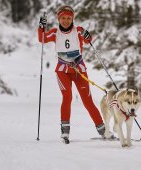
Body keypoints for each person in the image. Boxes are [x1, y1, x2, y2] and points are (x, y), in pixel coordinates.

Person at [38, 5, 105, 144]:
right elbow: (42, 39)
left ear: (72, 18)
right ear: (59, 19)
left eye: (69, 18)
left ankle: (104, 131)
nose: (66, 21)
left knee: (88, 101)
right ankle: (65, 132)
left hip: (79, 70)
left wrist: (88, 35)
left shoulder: (78, 31)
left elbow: (88, 40)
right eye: (63, 18)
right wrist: (41, 26)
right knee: (67, 97)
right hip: (63, 70)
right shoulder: (55, 33)